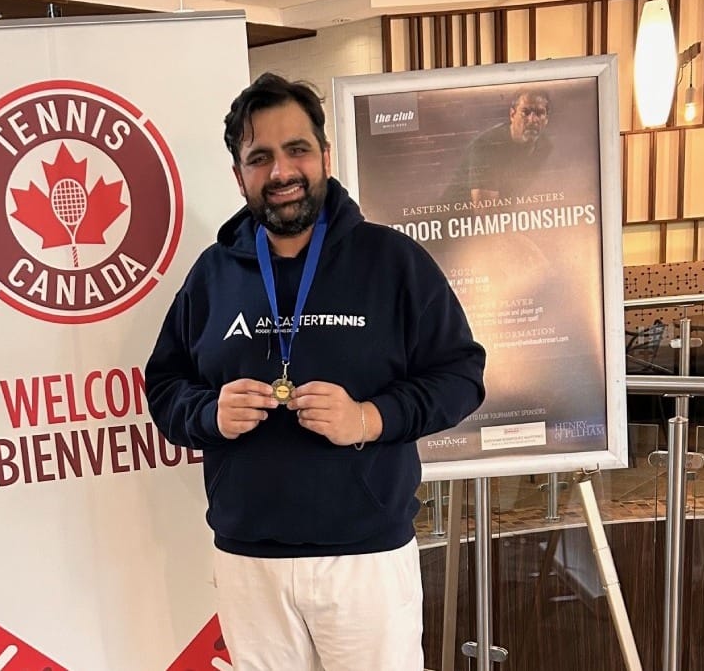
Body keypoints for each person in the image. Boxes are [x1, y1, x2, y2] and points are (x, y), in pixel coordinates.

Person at [145, 73, 486, 670]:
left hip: (364, 559)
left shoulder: (392, 261)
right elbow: (165, 385)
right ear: (239, 176)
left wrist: (369, 417)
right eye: (260, 158)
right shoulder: (212, 275)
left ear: (325, 156)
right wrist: (209, 414)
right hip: (250, 562)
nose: (281, 171)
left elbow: (461, 375)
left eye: (296, 149)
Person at [463, 88, 552, 204]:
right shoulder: (487, 147)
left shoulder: (545, 146)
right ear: (512, 114)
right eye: (525, 112)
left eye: (540, 113)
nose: (532, 120)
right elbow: (486, 212)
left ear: (546, 119)